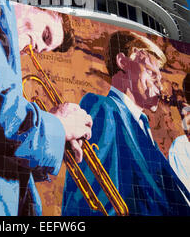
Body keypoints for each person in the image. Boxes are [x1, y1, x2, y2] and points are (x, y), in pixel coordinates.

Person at [0, 0, 92, 216]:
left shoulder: (3, 43)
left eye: (43, 50)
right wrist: (57, 127)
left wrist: (55, 132)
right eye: (45, 35)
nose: (37, 46)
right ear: (37, 6)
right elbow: (3, 118)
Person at [62, 30, 190, 216]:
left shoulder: (141, 125)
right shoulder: (103, 108)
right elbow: (91, 196)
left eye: (160, 78)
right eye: (151, 73)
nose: (160, 86)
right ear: (123, 62)